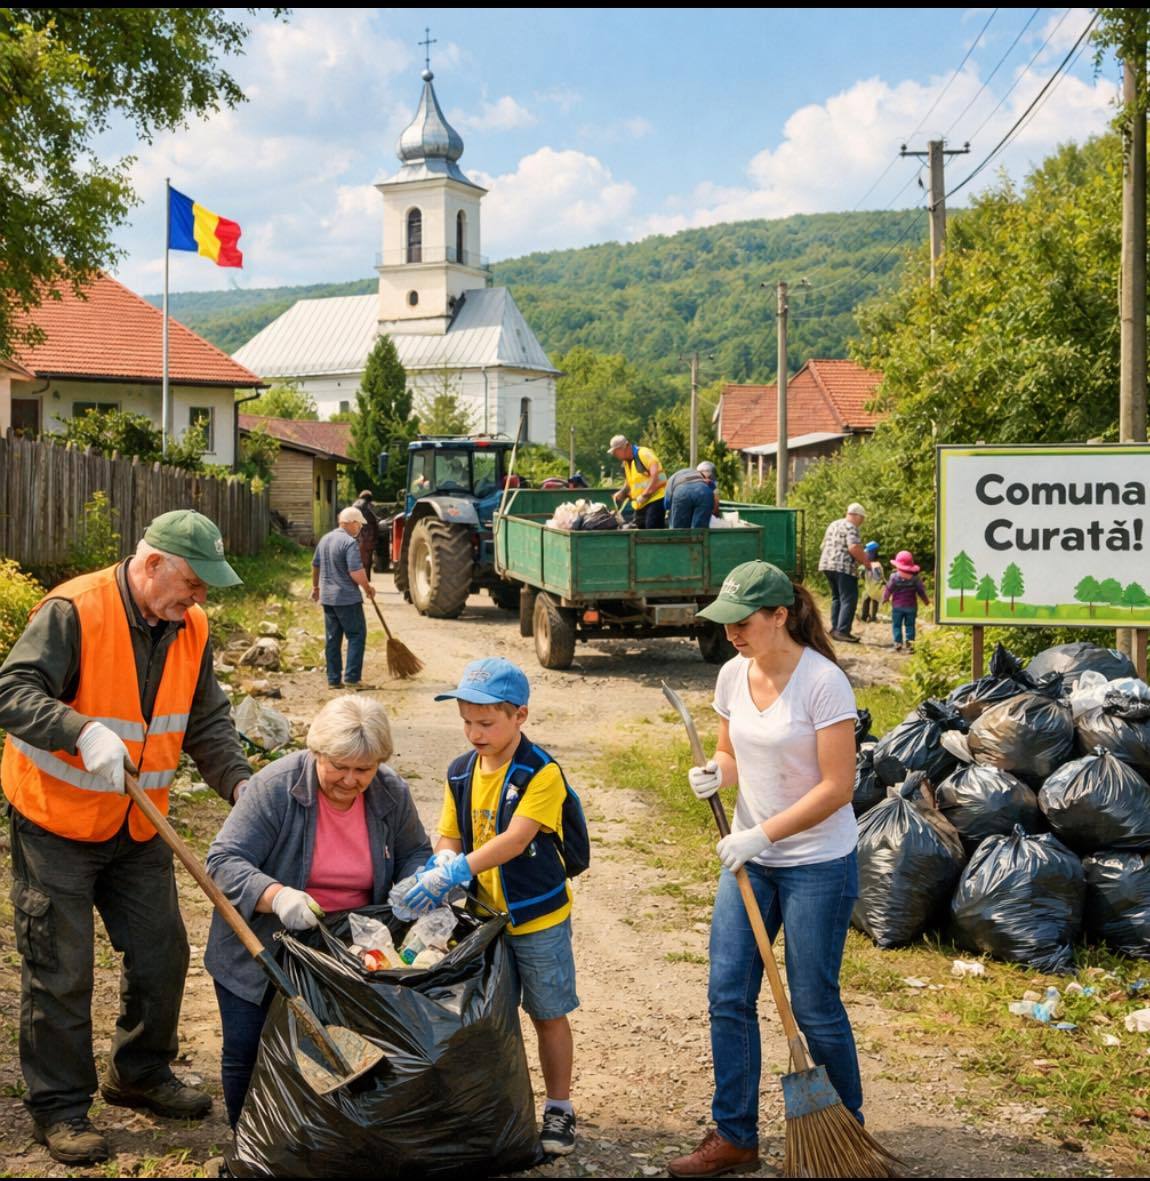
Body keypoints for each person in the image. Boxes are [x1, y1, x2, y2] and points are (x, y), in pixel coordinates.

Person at [0, 510, 253, 1166]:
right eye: (192, 584)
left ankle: (139, 1070)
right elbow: (12, 689)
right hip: (55, 820)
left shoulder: (190, 627)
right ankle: (58, 1105)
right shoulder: (74, 610)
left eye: (203, 590)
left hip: (137, 825)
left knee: (162, 951)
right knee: (62, 967)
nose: (198, 599)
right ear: (150, 565)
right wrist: (79, 729)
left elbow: (208, 721)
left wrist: (242, 786)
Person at [667, 561, 863, 1179]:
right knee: (728, 995)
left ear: (780, 615)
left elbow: (837, 787)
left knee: (812, 1002)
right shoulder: (732, 674)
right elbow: (729, 754)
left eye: (742, 621)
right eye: (724, 622)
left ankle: (846, 1132)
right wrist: (715, 776)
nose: (731, 634)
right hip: (752, 863)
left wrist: (760, 834)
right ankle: (735, 1136)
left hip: (816, 864)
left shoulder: (823, 683)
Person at [204, 695, 430, 1128]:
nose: (350, 780)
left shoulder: (389, 792)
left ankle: (321, 1144)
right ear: (316, 753)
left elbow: (415, 851)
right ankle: (249, 1147)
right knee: (249, 1048)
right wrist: (276, 896)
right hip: (263, 946)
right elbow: (223, 861)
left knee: (338, 1051)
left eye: (363, 770)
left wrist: (416, 882)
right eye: (338, 767)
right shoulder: (276, 786)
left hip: (348, 950)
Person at [400, 657, 580, 1157]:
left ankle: (560, 1108)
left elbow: (517, 840)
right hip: (483, 921)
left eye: (486, 722)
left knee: (547, 1012)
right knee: (484, 1016)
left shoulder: (541, 773)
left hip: (535, 917)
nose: (474, 733)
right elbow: (451, 832)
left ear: (519, 715)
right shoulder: (460, 771)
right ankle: (491, 1106)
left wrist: (458, 871)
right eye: (466, 722)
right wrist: (441, 862)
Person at [312, 506, 377, 689]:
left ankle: (333, 680)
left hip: (328, 598)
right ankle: (352, 679)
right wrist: (367, 587)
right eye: (359, 525)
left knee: (333, 639)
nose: (360, 529)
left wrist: (315, 587)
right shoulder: (349, 543)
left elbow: (315, 565)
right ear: (352, 523)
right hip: (347, 598)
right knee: (356, 635)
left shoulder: (325, 539)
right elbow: (355, 571)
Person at [817, 501, 868, 642]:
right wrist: (867, 563)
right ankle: (843, 631)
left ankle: (835, 629)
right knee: (849, 598)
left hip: (826, 564)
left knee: (836, 597)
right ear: (858, 516)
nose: (862, 522)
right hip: (843, 567)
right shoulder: (852, 527)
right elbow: (853, 548)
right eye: (862, 519)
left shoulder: (834, 524)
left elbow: (823, 545)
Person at [607, 434, 667, 528]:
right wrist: (622, 493)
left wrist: (645, 494)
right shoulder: (627, 462)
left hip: (655, 501)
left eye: (615, 451)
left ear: (625, 447)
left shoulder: (643, 454)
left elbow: (658, 476)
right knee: (638, 533)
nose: (614, 455)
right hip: (640, 504)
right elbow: (630, 482)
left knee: (652, 531)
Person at [882, 550, 930, 653]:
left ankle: (898, 643)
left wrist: (885, 598)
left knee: (896, 625)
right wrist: (926, 601)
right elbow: (921, 591)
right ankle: (910, 645)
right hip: (911, 607)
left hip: (897, 606)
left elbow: (888, 589)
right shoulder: (915, 579)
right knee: (910, 625)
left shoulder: (894, 577)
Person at [352, 490, 380, 582]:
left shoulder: (354, 504)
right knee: (367, 558)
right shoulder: (367, 505)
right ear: (369, 498)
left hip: (355, 533)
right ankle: (366, 578)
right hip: (367, 534)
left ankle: (355, 578)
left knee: (355, 557)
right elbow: (373, 520)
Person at [858, 540, 884, 624]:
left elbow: (878, 576)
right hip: (870, 585)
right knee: (870, 600)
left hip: (872, 585)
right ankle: (867, 616)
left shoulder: (875, 565)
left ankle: (869, 617)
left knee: (871, 600)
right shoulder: (876, 564)